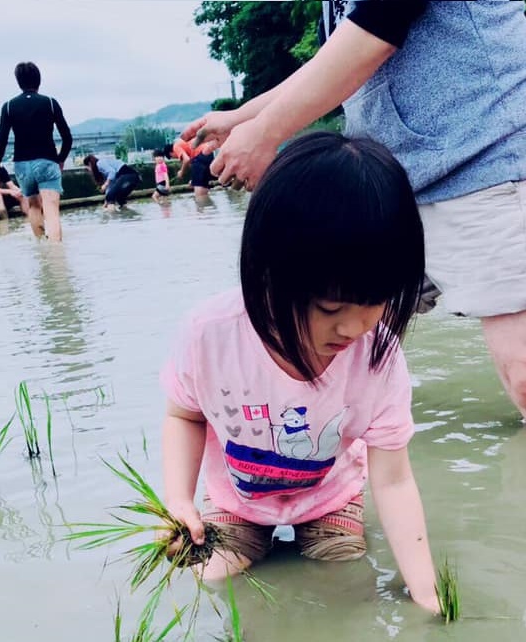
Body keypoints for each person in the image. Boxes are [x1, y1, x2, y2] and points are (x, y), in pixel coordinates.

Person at [180, 0, 526, 431]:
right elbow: (335, 59)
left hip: (482, 161)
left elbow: (379, 24)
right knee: (336, 353)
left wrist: (265, 133)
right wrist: (242, 118)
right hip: (386, 184)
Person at [160, 132, 440, 614]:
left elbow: (392, 481)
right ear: (270, 274)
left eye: (373, 302)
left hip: (328, 498)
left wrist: (426, 592)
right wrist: (178, 501)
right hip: (237, 502)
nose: (352, 326)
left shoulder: (379, 355)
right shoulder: (211, 334)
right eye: (331, 306)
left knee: (344, 575)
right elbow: (184, 416)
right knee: (211, 580)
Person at [0, 61, 72, 241]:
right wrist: (60, 159)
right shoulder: (50, 103)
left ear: (18, 81)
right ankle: (56, 258)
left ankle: (42, 249)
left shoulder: (9, 106)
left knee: (34, 206)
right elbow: (67, 137)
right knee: (51, 211)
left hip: (22, 165)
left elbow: (1, 139)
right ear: (39, 79)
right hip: (47, 161)